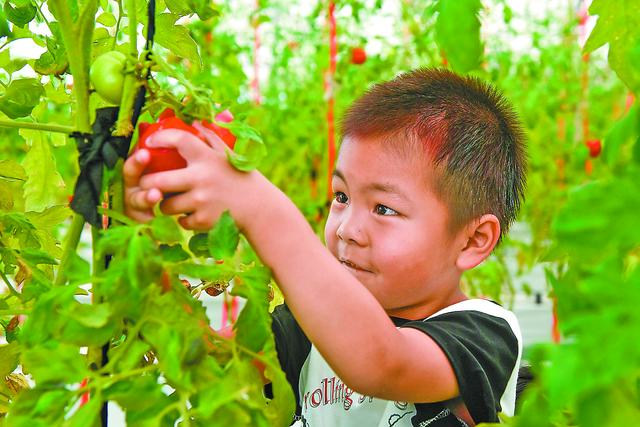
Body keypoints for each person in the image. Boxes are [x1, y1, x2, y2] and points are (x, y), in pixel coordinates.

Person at [123, 68, 526, 426]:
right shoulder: (303, 327)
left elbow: (383, 363)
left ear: (472, 241)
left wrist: (264, 213)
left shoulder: (482, 333)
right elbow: (204, 362)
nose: (348, 229)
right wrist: (145, 247)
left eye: (384, 208)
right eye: (341, 196)